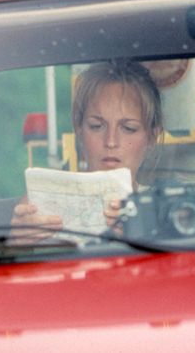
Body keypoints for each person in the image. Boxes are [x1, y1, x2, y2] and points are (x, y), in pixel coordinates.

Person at [11, 59, 164, 237]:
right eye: (96, 126)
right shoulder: (39, 204)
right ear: (79, 129)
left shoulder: (166, 210)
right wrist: (15, 244)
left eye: (128, 128)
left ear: (152, 136)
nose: (111, 141)